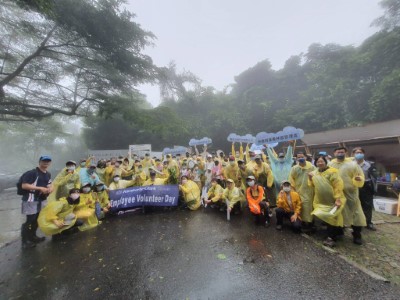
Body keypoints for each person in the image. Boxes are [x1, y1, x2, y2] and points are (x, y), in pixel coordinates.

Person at [329, 147, 366, 245]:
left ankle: (357, 235)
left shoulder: (352, 164)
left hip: (350, 194)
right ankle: (338, 232)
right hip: (337, 194)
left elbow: (360, 176)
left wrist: (358, 179)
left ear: (346, 153)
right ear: (334, 153)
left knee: (355, 213)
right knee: (338, 213)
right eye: (338, 151)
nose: (340, 153)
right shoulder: (330, 164)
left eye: (342, 152)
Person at [309, 155, 346, 247]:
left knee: (332, 217)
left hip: (333, 199)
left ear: (326, 162)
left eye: (322, 161)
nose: (320, 163)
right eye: (318, 162)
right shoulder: (314, 173)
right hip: (321, 200)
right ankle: (339, 232)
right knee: (324, 215)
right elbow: (312, 185)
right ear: (315, 163)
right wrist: (310, 178)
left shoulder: (332, 172)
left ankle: (331, 238)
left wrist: (337, 199)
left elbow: (338, 186)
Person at [20, 155, 53, 248]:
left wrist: (50, 189)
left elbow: (50, 184)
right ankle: (25, 241)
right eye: (44, 161)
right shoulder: (32, 173)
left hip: (41, 200)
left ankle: (33, 236)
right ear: (39, 162)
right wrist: (40, 188)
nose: (46, 163)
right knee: (30, 220)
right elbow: (24, 185)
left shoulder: (47, 174)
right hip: (30, 200)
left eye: (48, 161)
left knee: (37, 219)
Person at [352, 147, 378, 231]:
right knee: (354, 205)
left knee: (367, 205)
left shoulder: (369, 165)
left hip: (365, 186)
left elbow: (374, 177)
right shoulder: (350, 164)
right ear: (353, 154)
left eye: (360, 152)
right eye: (356, 153)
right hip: (353, 186)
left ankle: (368, 223)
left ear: (363, 154)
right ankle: (354, 222)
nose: (358, 154)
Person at [289, 152, 316, 231]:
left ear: (305, 157)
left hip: (309, 190)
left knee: (308, 206)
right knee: (300, 206)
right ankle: (303, 221)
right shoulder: (294, 168)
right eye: (298, 157)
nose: (300, 158)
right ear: (296, 158)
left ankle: (310, 222)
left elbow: (316, 177)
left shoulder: (311, 167)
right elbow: (291, 178)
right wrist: (293, 189)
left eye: (302, 156)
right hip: (298, 190)